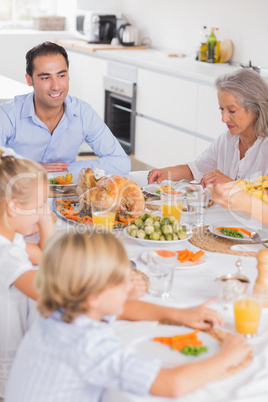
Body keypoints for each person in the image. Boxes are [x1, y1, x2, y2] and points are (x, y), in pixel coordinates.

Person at [5, 230, 252, 401]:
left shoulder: (62, 312)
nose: (129, 286)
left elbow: (124, 309)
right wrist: (227, 357)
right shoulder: (88, 345)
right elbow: (171, 385)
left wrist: (179, 314)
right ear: (93, 297)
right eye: (122, 280)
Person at [0, 41, 130, 174]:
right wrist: (28, 169)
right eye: (45, 78)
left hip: (65, 192)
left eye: (61, 75)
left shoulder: (83, 113)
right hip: (16, 191)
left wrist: (68, 169)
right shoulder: (7, 115)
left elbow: (121, 162)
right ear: (29, 80)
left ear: (68, 75)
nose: (56, 86)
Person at [148, 68, 268, 187]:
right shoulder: (227, 139)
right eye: (221, 109)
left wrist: (231, 185)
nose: (224, 119)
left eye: (232, 111)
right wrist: (165, 172)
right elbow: (194, 171)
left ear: (255, 110)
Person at [0, 150, 54, 398]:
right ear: (13, 206)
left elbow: (46, 257)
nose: (45, 212)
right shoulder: (5, 256)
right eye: (40, 206)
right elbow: (56, 295)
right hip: (8, 377)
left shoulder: (13, 240)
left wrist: (42, 218)